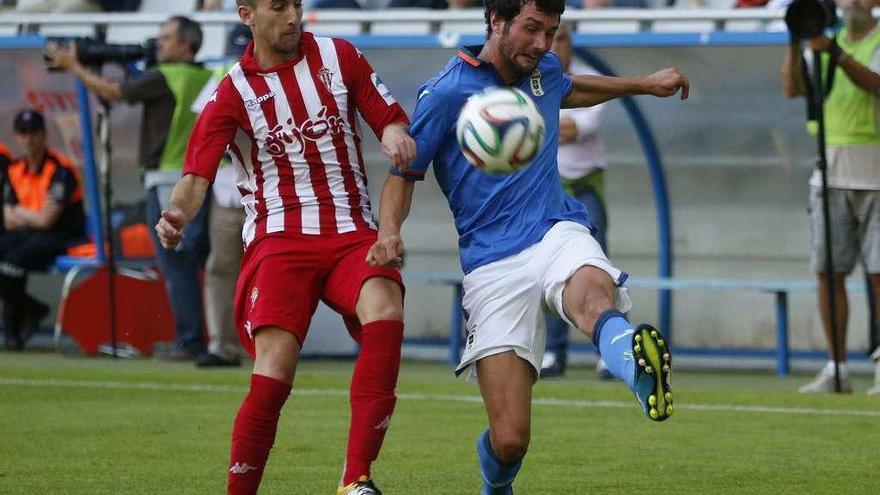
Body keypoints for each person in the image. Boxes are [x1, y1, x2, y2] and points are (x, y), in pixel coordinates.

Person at [367, 0, 687, 491]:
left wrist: (643, 83)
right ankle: (496, 484)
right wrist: (389, 231)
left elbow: (568, 87)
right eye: (533, 30)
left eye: (552, 32)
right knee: (511, 439)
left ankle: (636, 370)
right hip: (492, 264)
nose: (543, 45)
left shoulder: (544, 71)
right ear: (497, 21)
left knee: (592, 295)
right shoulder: (447, 92)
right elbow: (404, 174)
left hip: (554, 228)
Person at [155, 1, 416, 493]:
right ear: (247, 14)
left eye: (297, 4)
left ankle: (355, 478)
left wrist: (395, 134)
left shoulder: (341, 57)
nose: (293, 16)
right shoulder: (231, 90)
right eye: (279, 7)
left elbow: (389, 117)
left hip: (350, 232)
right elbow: (196, 175)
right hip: (279, 240)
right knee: (275, 366)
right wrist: (176, 215)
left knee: (386, 306)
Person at [45, 16, 215, 361]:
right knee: (189, 264)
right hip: (196, 179)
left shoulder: (167, 76)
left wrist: (74, 66)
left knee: (174, 265)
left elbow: (112, 93)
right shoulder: (205, 76)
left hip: (166, 180)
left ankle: (190, 340)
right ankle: (197, 338)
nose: (159, 43)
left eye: (166, 38)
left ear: (186, 45)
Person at [781, 0, 880, 394]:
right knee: (828, 271)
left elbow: (876, 84)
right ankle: (836, 366)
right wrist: (794, 42)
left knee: (878, 274)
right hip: (830, 171)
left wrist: (834, 54)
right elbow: (792, 88)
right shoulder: (821, 41)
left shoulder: (866, 42)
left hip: (875, 171)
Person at [540, 22, 613, 379]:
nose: (556, 46)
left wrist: (527, 125)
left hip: (584, 189)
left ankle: (610, 349)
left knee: (596, 264)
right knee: (550, 270)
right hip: (547, 192)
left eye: (563, 38)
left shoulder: (591, 79)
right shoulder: (533, 80)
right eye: (550, 39)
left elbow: (570, 130)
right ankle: (554, 352)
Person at [191, 24, 254, 368]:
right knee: (220, 265)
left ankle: (266, 343)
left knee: (270, 268)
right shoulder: (223, 75)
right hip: (228, 190)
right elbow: (205, 130)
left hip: (270, 188)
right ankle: (221, 344)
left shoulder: (278, 74)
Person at [1, 109, 85, 351]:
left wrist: (22, 213)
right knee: (7, 255)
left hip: (61, 236)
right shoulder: (15, 168)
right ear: (18, 136)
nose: (29, 139)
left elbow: (47, 221)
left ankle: (11, 329)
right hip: (27, 233)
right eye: (24, 133)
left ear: (44, 134)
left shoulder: (61, 169)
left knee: (13, 263)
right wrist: (31, 217)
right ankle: (30, 310)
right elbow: (7, 219)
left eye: (34, 132)